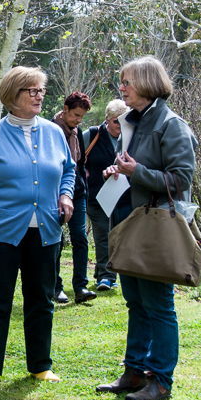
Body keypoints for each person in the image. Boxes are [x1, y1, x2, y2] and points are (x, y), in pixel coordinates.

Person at [0, 66, 76, 389]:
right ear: (13, 96)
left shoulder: (55, 134)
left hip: (45, 233)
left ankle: (41, 365)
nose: (39, 95)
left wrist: (66, 195)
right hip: (0, 235)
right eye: (32, 91)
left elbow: (68, 170)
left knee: (41, 300)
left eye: (41, 90)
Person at [96, 56, 197, 400]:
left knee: (158, 306)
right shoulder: (130, 122)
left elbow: (180, 180)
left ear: (149, 83)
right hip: (128, 221)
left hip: (154, 228)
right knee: (135, 303)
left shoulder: (172, 125)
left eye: (127, 82)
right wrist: (118, 170)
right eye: (121, 81)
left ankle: (161, 380)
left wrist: (136, 172)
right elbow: (135, 169)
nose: (121, 87)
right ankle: (134, 372)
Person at [51, 92, 97, 304]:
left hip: (78, 193)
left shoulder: (76, 132)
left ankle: (80, 286)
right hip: (54, 194)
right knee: (56, 241)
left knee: (80, 237)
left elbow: (79, 164)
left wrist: (83, 187)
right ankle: (55, 287)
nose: (79, 120)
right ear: (65, 109)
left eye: (82, 117)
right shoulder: (50, 130)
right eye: (76, 115)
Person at [83, 99, 130, 291]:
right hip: (95, 195)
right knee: (104, 237)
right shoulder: (92, 134)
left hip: (122, 196)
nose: (119, 125)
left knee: (118, 237)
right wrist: (82, 172)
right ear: (107, 120)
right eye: (116, 121)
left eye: (123, 121)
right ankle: (106, 277)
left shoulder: (130, 136)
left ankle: (105, 272)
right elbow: (74, 157)